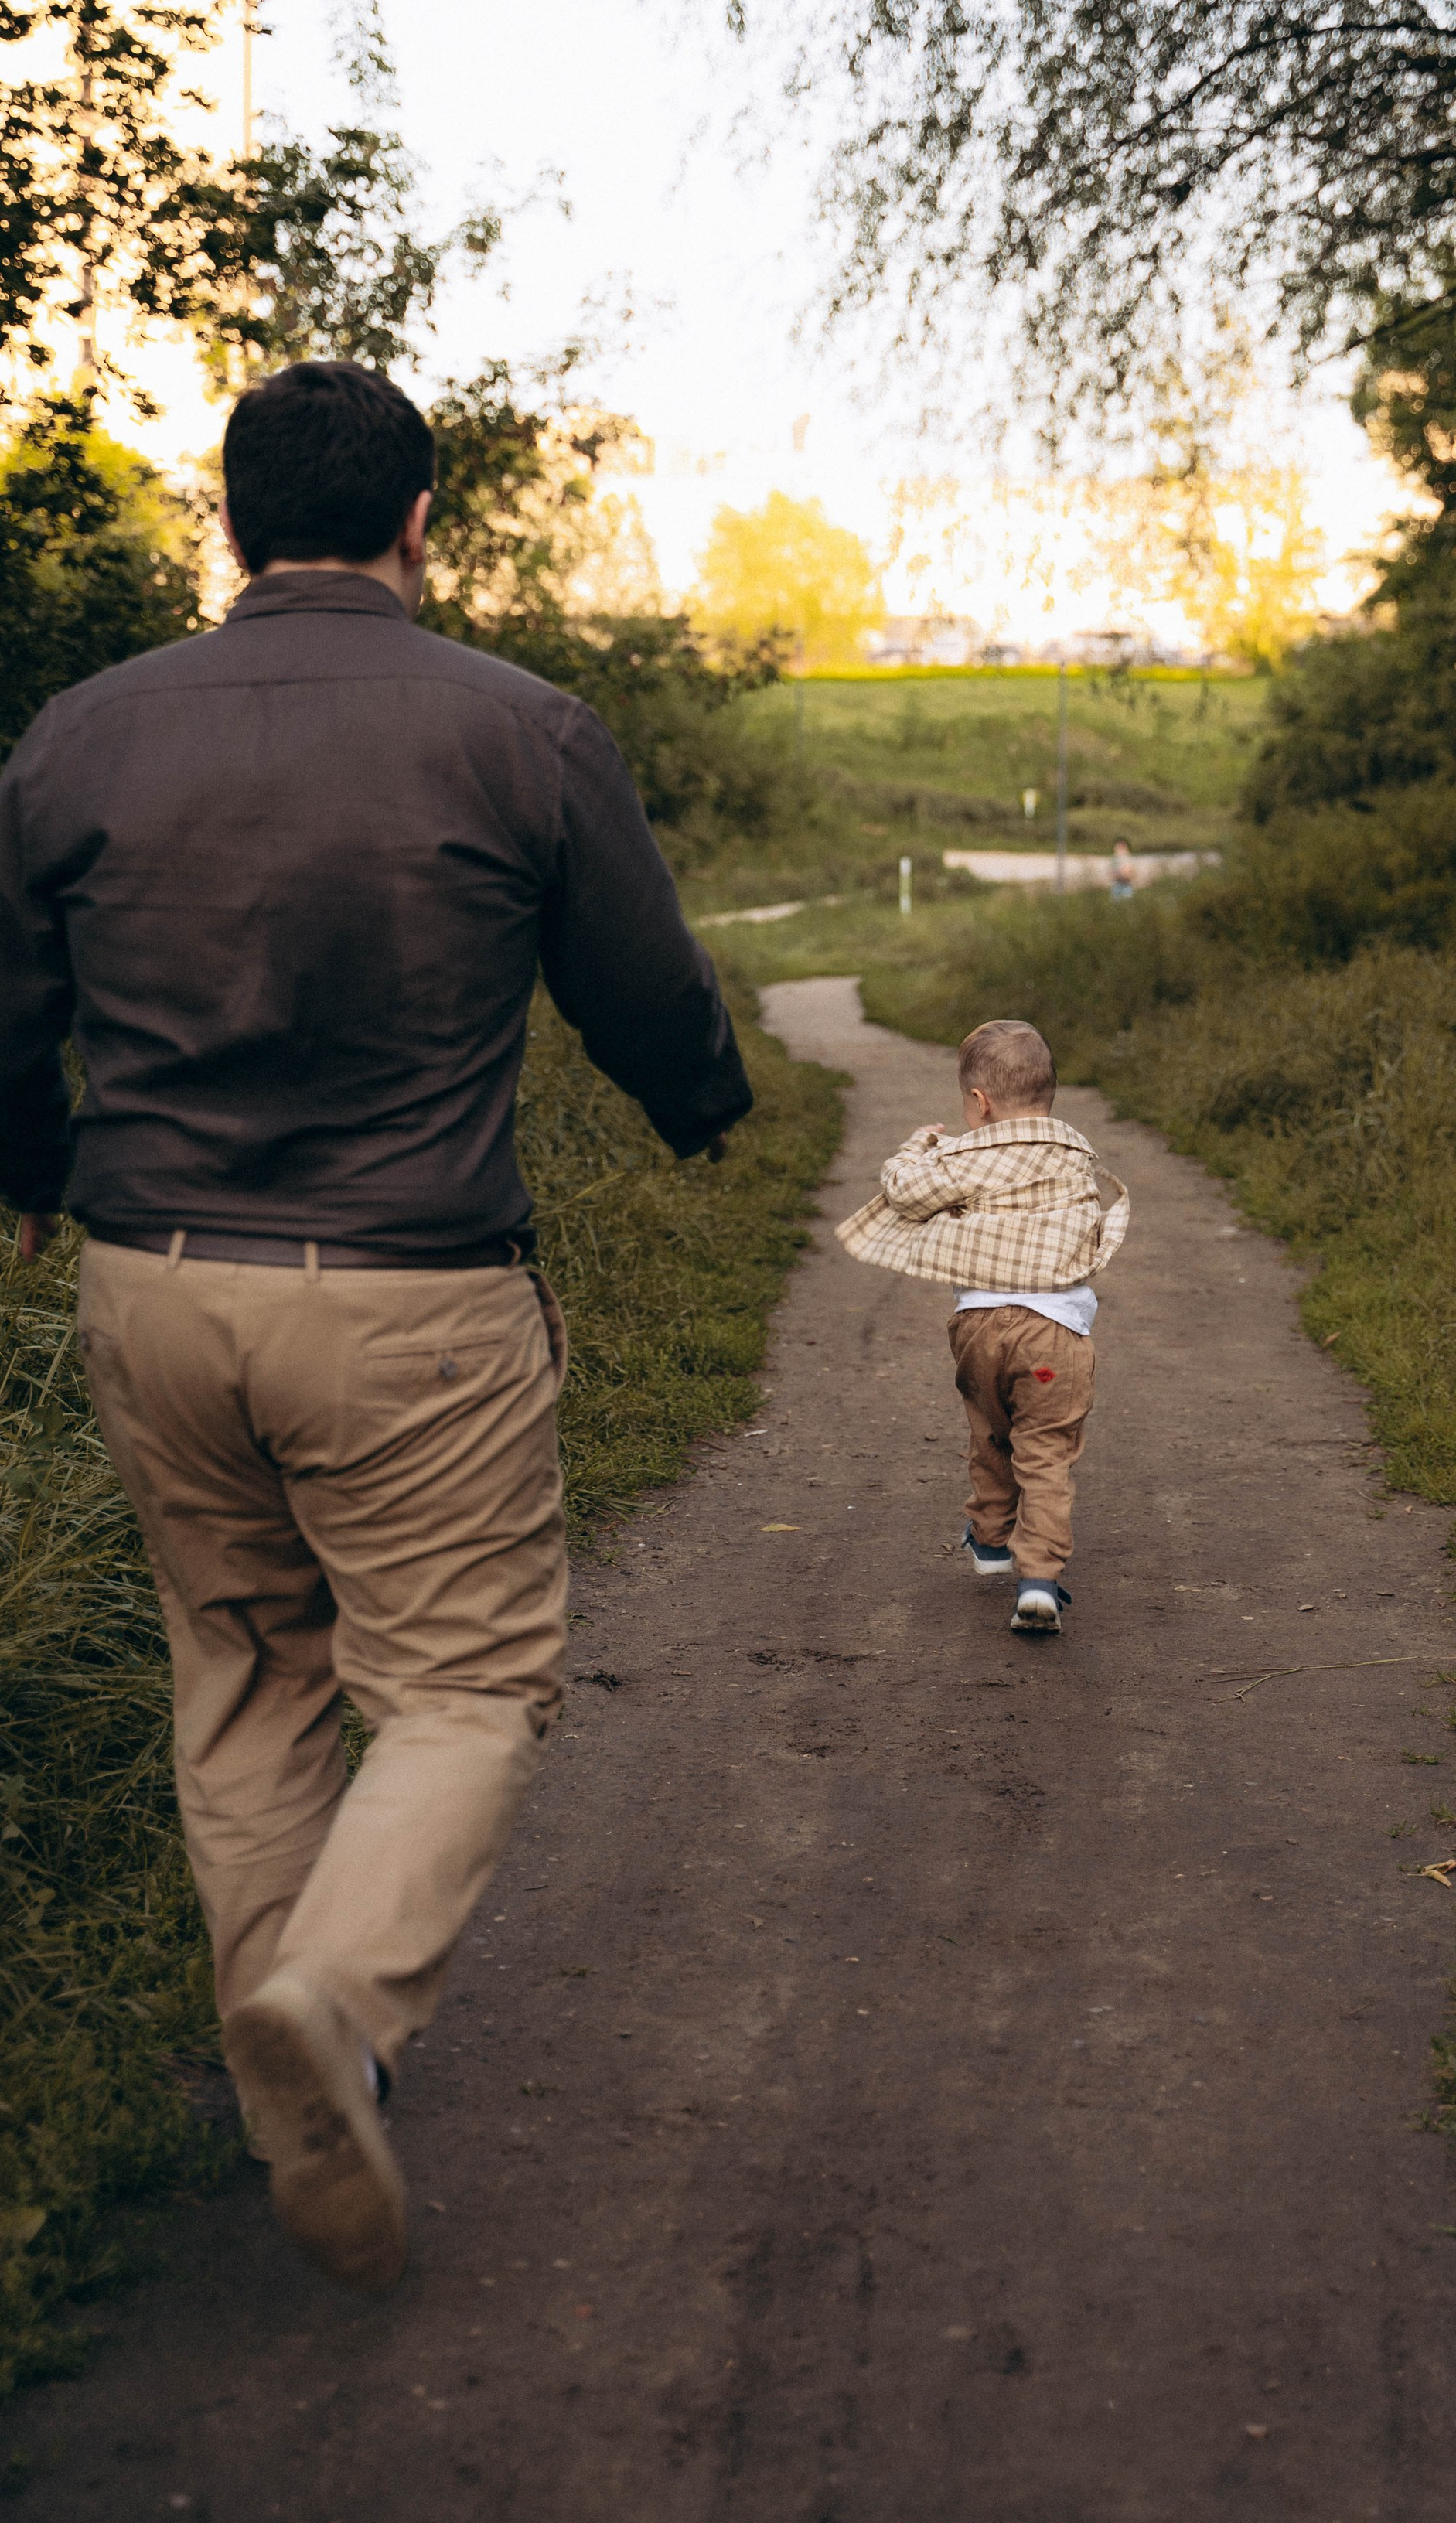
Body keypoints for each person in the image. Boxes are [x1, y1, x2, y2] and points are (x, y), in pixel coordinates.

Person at [0, 360, 750, 2296]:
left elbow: (7, 1008)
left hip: (153, 1284)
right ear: (424, 521)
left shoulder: (78, 735)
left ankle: (292, 2116)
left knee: (246, 1676)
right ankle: (333, 2006)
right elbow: (642, 983)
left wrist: (32, 1167)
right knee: (458, 1689)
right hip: (411, 1297)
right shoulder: (522, 731)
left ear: (228, 519)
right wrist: (701, 1111)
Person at [835, 1018, 1127, 1635]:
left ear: (978, 1103)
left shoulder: (967, 1156)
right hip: (1054, 1339)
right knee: (1044, 1452)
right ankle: (1040, 1581)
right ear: (1048, 1094)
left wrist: (917, 1147)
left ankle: (992, 1543)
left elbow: (905, 1193)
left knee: (994, 1432)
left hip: (978, 1333)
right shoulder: (1077, 1156)